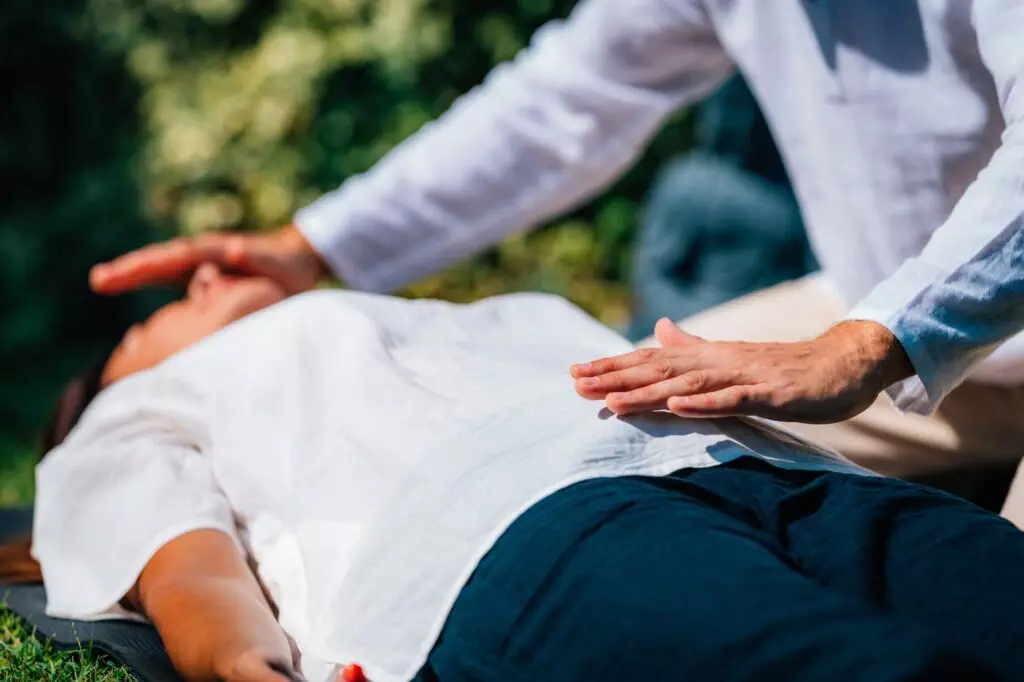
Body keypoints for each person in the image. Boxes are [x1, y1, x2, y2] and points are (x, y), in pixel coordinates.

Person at [88, 1, 1024, 480]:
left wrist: (869, 344)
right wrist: (314, 247)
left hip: (882, 332)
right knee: (603, 450)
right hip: (881, 321)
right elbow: (562, 104)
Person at [10, 267, 1024, 682]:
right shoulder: (129, 414)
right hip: (515, 536)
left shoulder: (430, 312)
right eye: (149, 321)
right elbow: (187, 565)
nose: (196, 279)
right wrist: (246, 668)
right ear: (118, 377)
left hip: (779, 468)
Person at [629, 74, 815, 340]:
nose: (744, 122)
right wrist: (701, 326)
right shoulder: (690, 181)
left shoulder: (794, 189)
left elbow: (810, 273)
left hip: (770, 333)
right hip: (694, 325)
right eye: (734, 108)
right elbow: (654, 276)